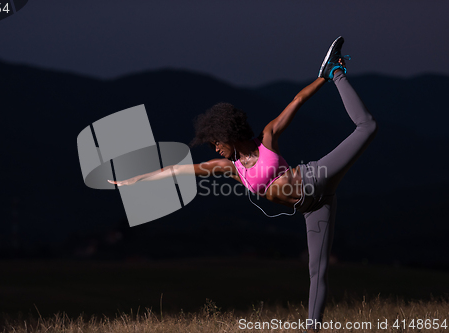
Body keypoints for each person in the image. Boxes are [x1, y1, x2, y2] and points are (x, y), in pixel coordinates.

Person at [108, 36, 377, 331]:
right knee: (317, 271)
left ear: (228, 133)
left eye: (215, 142)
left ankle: (335, 70)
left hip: (315, 178)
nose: (215, 149)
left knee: (367, 127)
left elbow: (297, 101)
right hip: (314, 207)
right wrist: (134, 179)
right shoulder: (231, 168)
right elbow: (179, 170)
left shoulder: (267, 138)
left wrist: (322, 78)